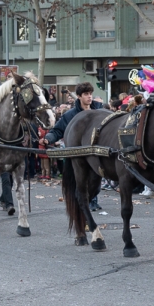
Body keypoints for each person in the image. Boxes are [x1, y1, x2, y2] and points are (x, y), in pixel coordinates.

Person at [42, 82, 104, 211]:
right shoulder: (70, 115)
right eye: (86, 94)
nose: (89, 97)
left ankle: (92, 200)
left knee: (96, 184)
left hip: (96, 154)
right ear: (79, 96)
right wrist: (48, 139)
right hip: (78, 155)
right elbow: (58, 130)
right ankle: (83, 204)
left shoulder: (99, 111)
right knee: (80, 182)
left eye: (91, 94)